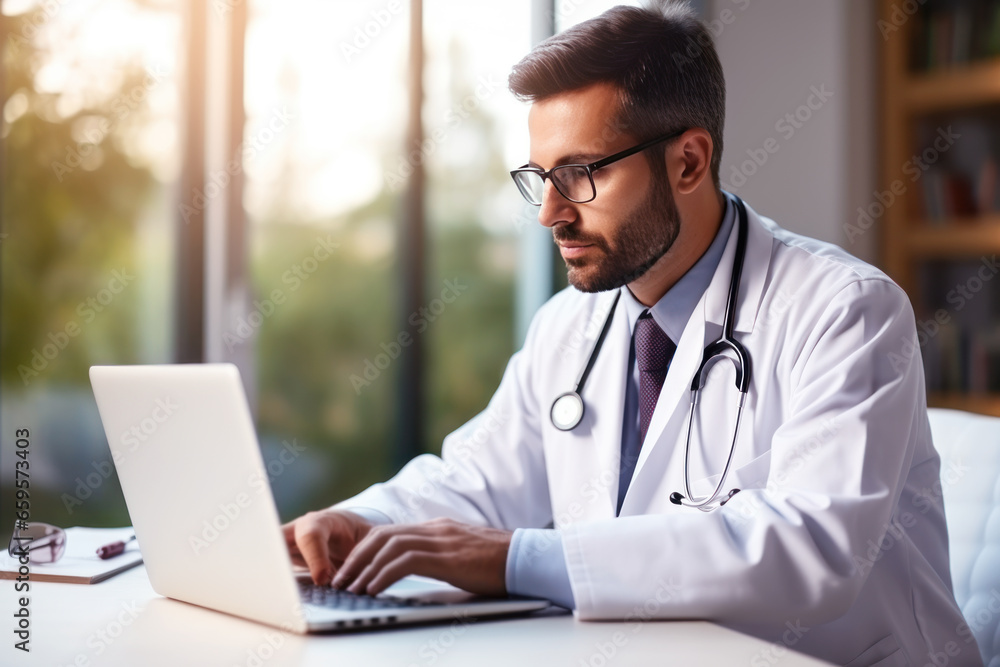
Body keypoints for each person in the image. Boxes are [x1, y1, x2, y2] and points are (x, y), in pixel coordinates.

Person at [283, 2, 980, 665]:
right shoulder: (570, 326)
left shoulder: (844, 310)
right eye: (540, 178)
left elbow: (814, 550)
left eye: (580, 174)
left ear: (688, 161)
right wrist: (358, 522)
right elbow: (477, 482)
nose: (550, 214)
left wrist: (512, 559)